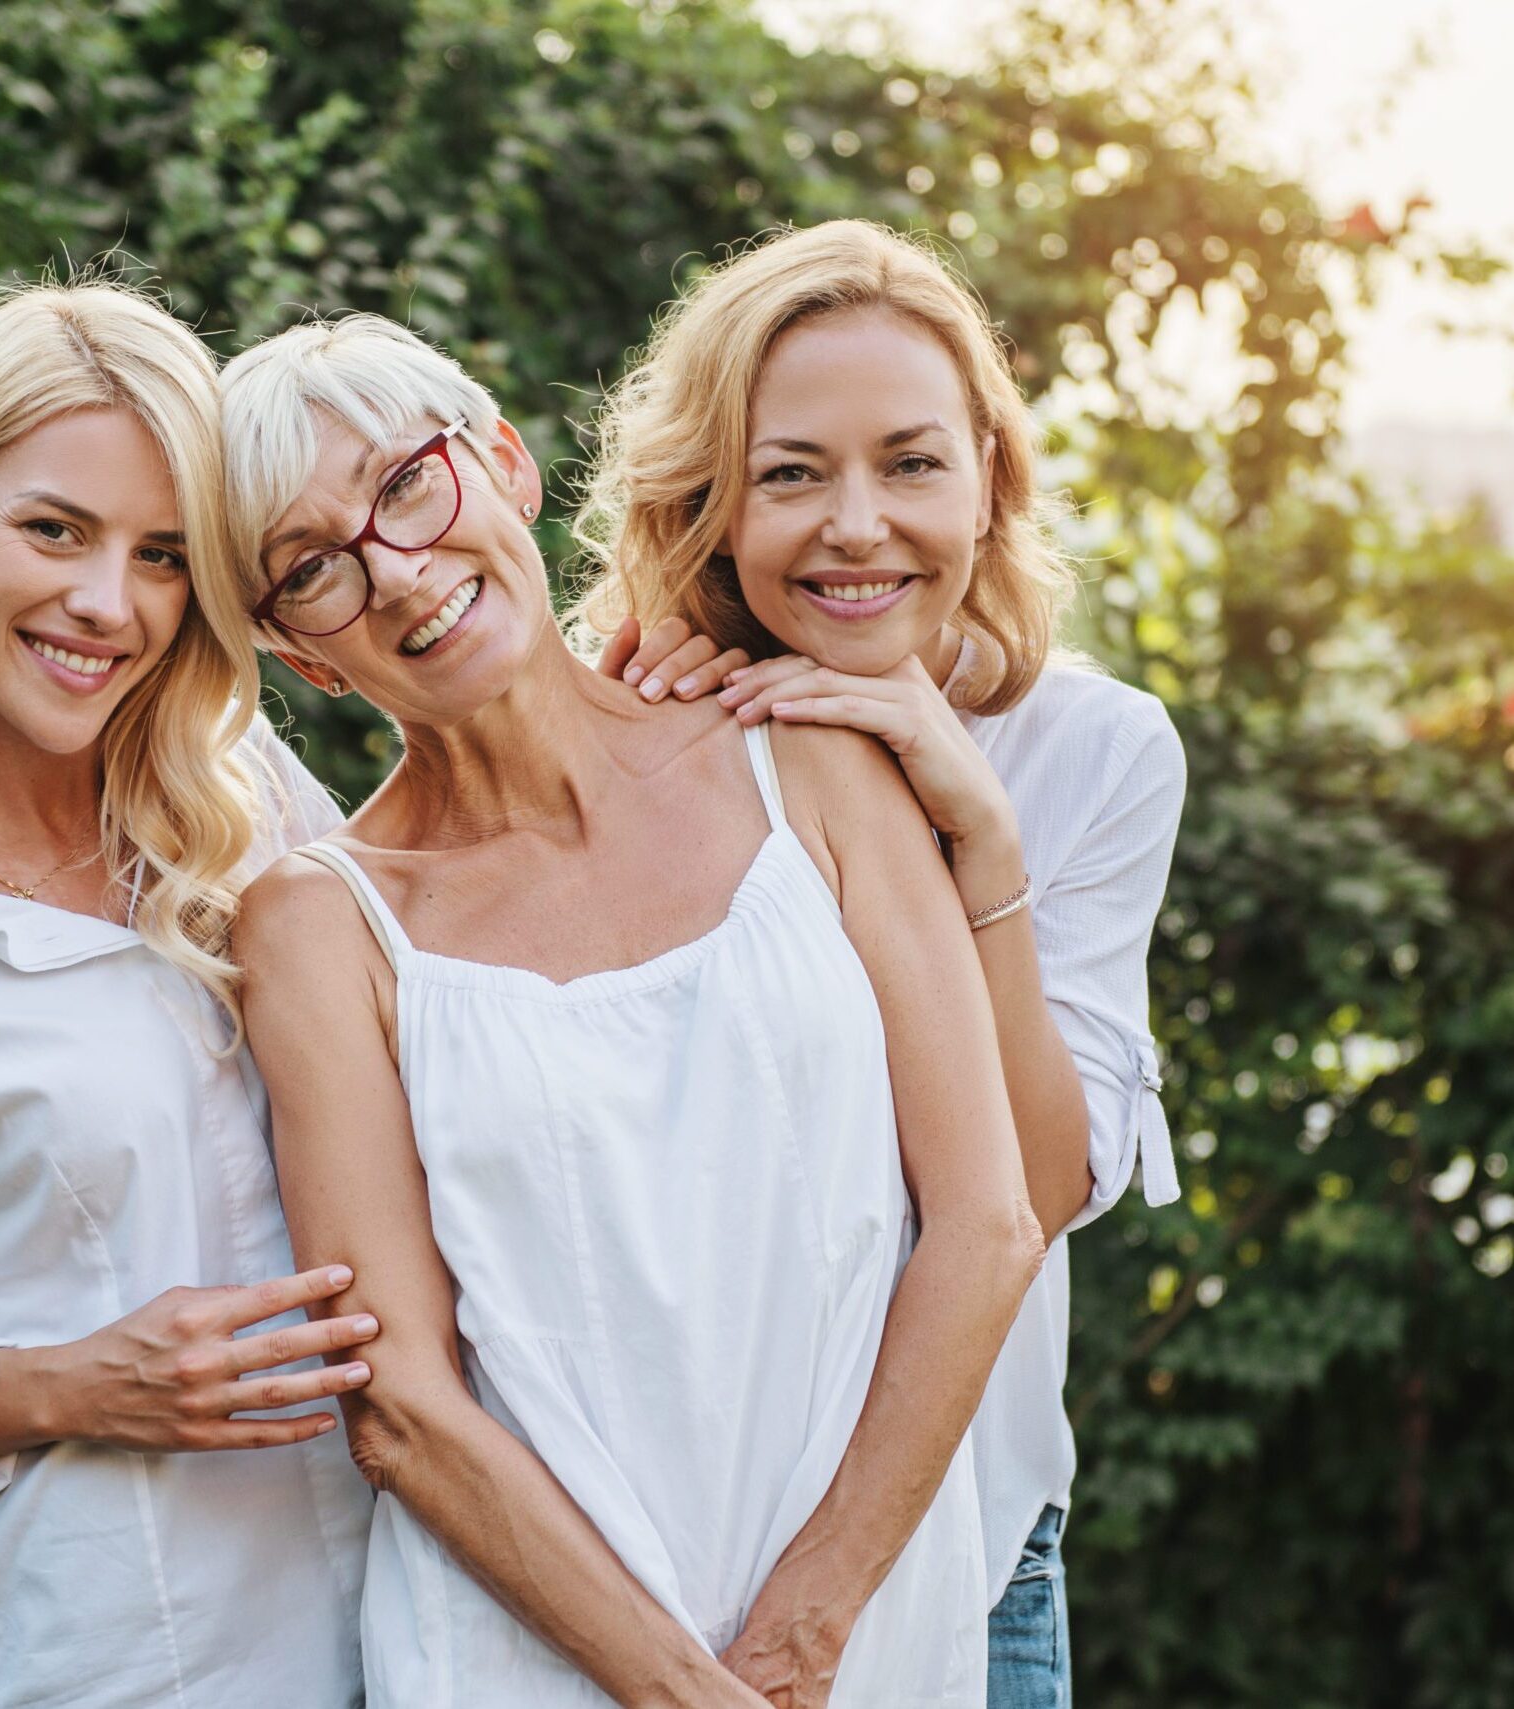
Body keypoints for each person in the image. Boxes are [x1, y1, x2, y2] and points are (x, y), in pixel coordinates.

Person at [221, 311, 1046, 1707]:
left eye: (408, 482)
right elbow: (403, 1408)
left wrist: (804, 1632)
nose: (398, 571)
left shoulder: (809, 762)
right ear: (301, 654)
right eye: (314, 569)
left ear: (502, 462)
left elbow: (987, 1222)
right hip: (523, 1663)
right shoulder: (319, 927)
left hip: (867, 1636)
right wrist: (684, 1691)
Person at [575, 219, 1187, 1708]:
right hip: (650, 1562)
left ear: (988, 474)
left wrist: (978, 839)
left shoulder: (1090, 752)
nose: (857, 524)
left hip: (969, 1558)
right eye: (790, 473)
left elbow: (1032, 1194)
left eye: (910, 463)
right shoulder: (631, 730)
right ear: (710, 500)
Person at [0, 279, 372, 1708]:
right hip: (128, 1660)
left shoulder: (248, 799)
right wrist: (63, 1381)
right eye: (54, 529)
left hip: (435, 1625)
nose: (106, 604)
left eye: (165, 555)